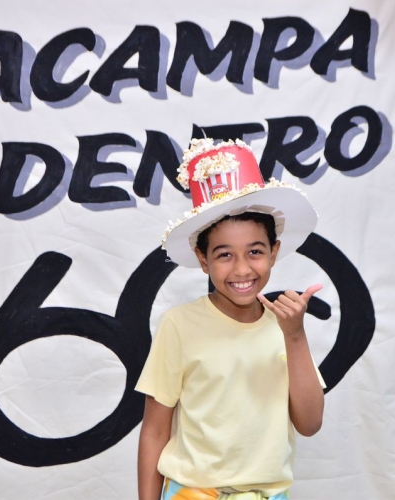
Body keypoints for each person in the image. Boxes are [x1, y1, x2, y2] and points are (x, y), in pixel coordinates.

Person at [136, 138, 325, 500]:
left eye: (255, 251)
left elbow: (310, 423)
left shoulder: (286, 326)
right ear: (203, 259)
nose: (241, 269)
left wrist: (295, 336)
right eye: (224, 255)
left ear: (274, 252)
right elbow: (155, 430)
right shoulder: (179, 325)